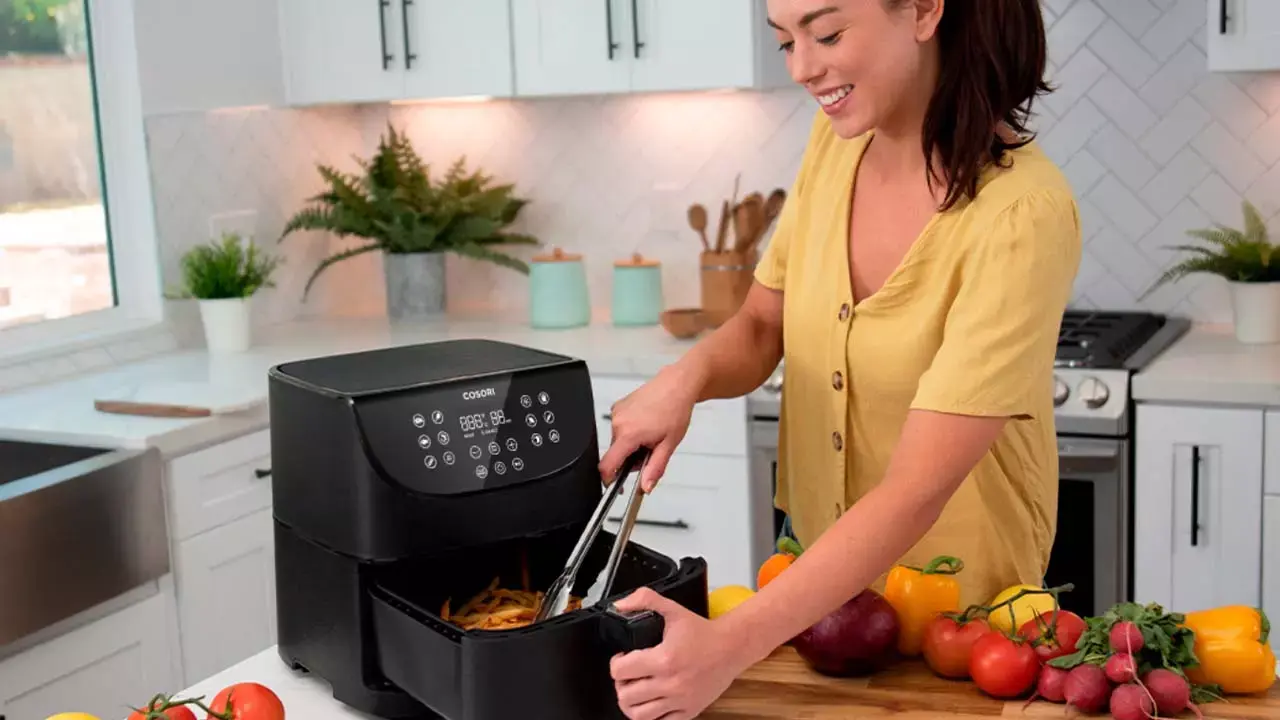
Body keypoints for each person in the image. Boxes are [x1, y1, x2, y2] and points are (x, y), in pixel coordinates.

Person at [598, 0, 1082, 717]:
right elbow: (765, 323)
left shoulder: (1023, 214)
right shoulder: (837, 146)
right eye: (785, 40)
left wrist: (727, 646)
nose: (801, 67)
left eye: (825, 34)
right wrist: (685, 381)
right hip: (817, 588)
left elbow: (916, 487)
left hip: (959, 609)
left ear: (922, 11)